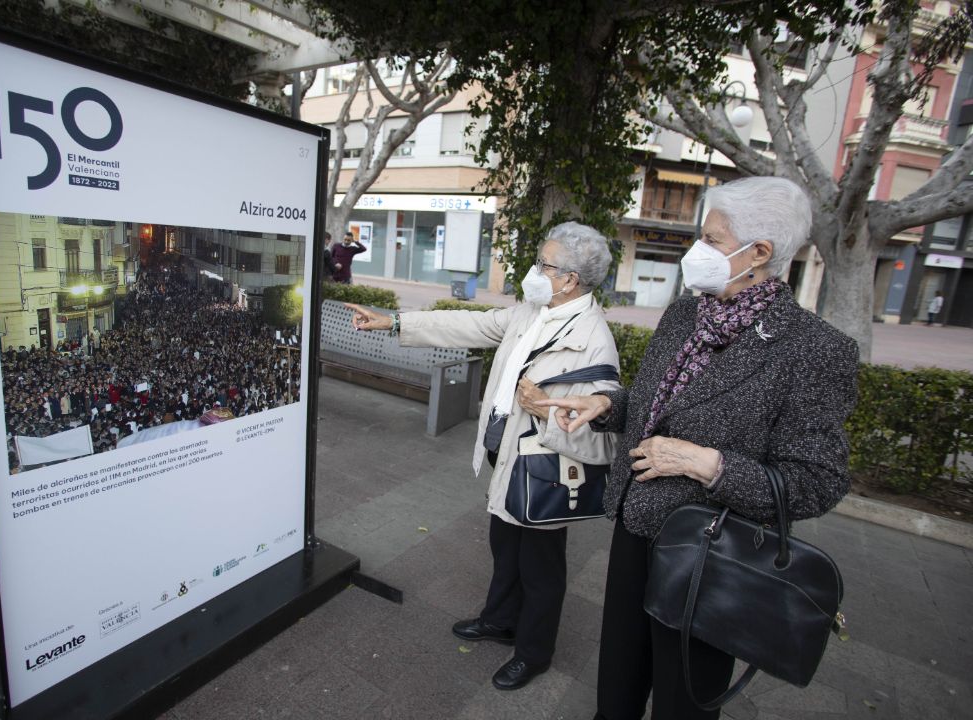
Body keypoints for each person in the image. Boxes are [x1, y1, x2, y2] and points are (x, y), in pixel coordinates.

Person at [536, 177, 859, 720]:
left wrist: (703, 463)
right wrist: (608, 405)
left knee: (684, 695)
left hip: (711, 551)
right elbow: (655, 401)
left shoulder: (816, 349)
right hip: (636, 526)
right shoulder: (686, 313)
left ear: (759, 253)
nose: (698, 250)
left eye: (711, 238)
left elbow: (818, 481)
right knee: (618, 674)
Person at [345, 221, 620, 691]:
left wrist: (546, 416)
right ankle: (499, 620)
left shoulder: (593, 341)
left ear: (570, 278)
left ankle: (533, 654)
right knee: (505, 547)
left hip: (545, 472)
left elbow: (603, 438)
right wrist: (394, 321)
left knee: (541, 568)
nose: (535, 269)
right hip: (507, 453)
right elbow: (475, 323)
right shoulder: (533, 309)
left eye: (544, 263)